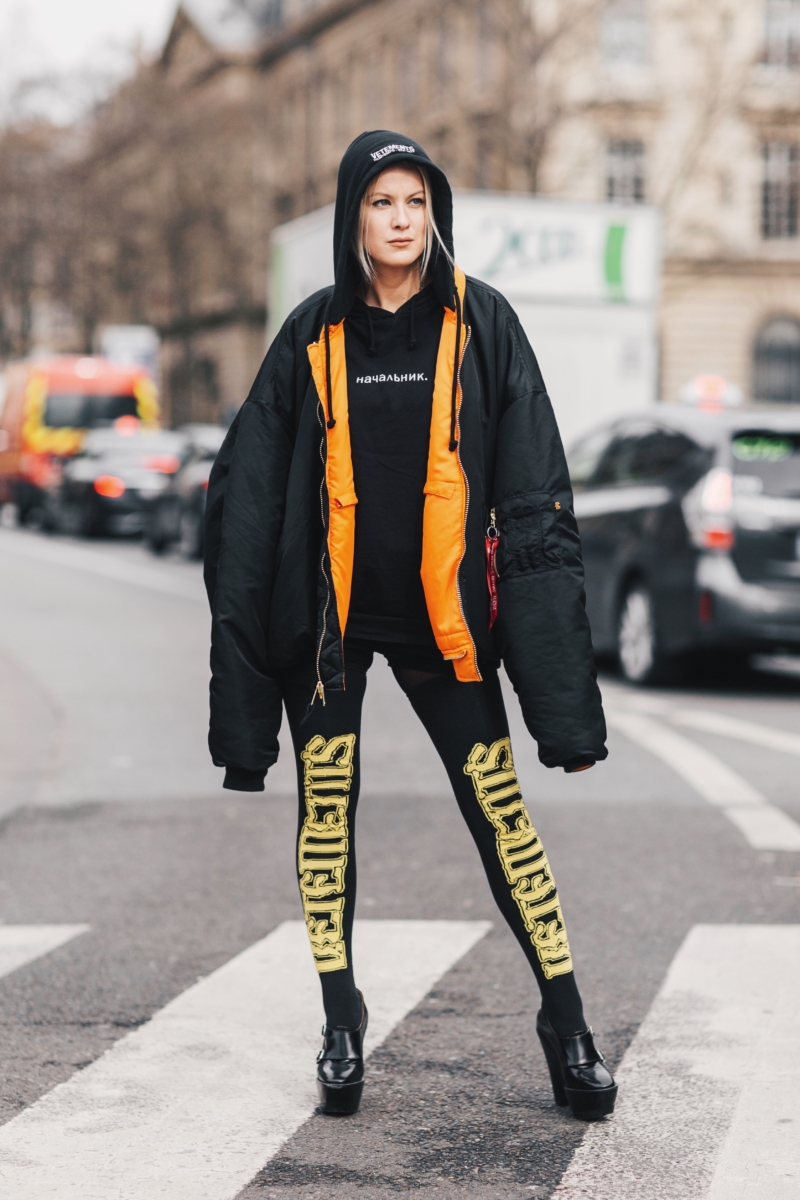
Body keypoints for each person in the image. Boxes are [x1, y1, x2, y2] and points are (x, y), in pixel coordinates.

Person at [204, 130, 616, 1122]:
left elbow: (533, 497)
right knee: (327, 818)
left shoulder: (481, 324)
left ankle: (565, 1023)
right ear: (353, 218)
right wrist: (248, 661)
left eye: (415, 203)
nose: (400, 220)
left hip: (447, 624)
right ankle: (340, 1019)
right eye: (382, 203)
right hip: (330, 631)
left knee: (501, 818)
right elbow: (248, 496)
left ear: (433, 215)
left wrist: (556, 686)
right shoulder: (312, 335)